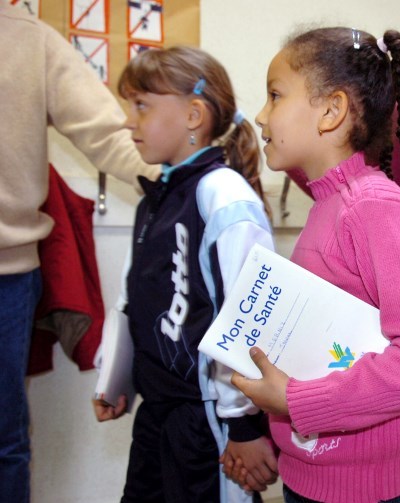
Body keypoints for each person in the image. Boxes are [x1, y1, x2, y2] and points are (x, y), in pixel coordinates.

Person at [231, 27, 400, 503]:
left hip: (366, 487)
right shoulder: (329, 203)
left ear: (332, 111)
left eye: (274, 96)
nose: (261, 115)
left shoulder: (376, 208)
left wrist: (298, 403)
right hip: (309, 469)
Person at [91, 46, 277, 502]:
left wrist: (244, 425)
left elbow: (249, 315)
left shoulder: (222, 195)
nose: (127, 121)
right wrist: (118, 378)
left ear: (194, 114)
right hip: (156, 417)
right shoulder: (153, 201)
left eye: (141, 106)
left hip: (208, 425)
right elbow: (132, 301)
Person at [0, 5, 160, 501]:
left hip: (6, 276)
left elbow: (110, 133)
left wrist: (188, 180)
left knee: (4, 441)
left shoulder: (28, 37)